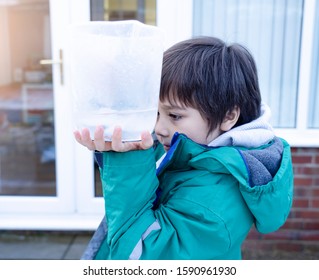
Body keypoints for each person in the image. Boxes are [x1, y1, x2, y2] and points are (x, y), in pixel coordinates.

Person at [74, 36, 294, 260]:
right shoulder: (189, 149)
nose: (159, 128)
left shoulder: (213, 200)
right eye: (155, 113)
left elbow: (140, 256)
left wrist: (125, 166)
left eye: (175, 115)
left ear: (228, 116)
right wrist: (123, 149)